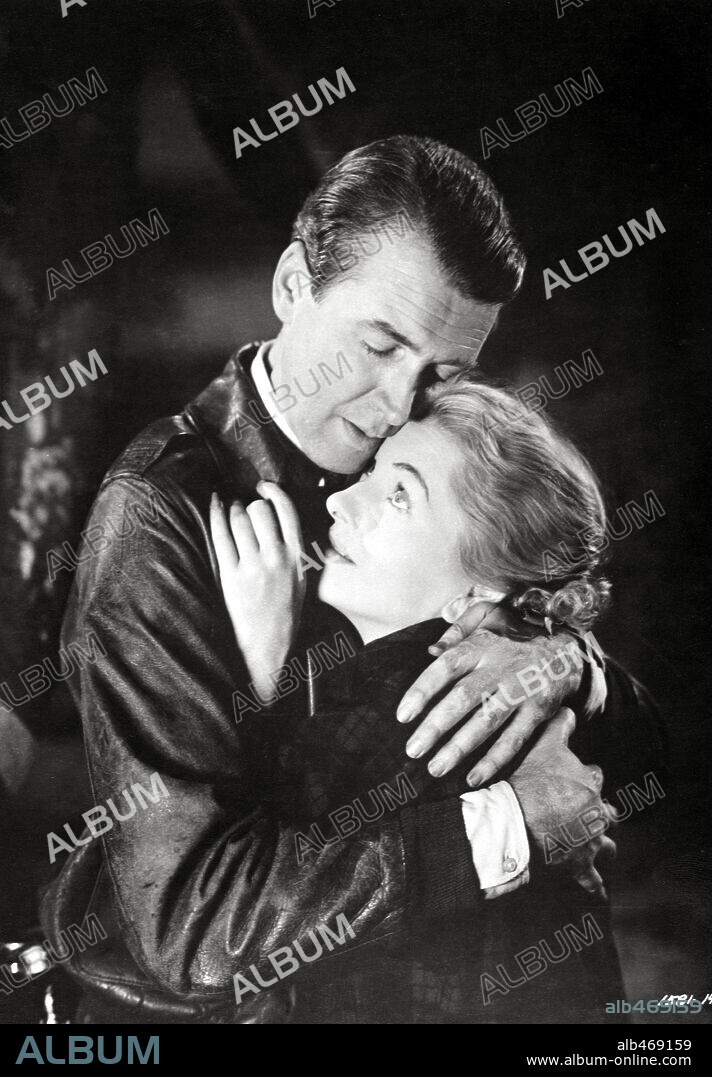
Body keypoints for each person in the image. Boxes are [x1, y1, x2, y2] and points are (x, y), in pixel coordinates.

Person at [40, 136, 661, 1023]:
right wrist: (507, 828)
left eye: (443, 373)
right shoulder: (158, 516)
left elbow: (641, 763)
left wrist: (566, 663)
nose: (397, 407)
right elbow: (190, 926)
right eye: (377, 345)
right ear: (294, 286)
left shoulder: (434, 448)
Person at [210, 377, 638, 1023]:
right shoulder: (500, 697)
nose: (342, 503)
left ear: (481, 591)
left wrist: (261, 668)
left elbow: (239, 919)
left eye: (400, 495)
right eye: (373, 472)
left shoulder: (406, 721)